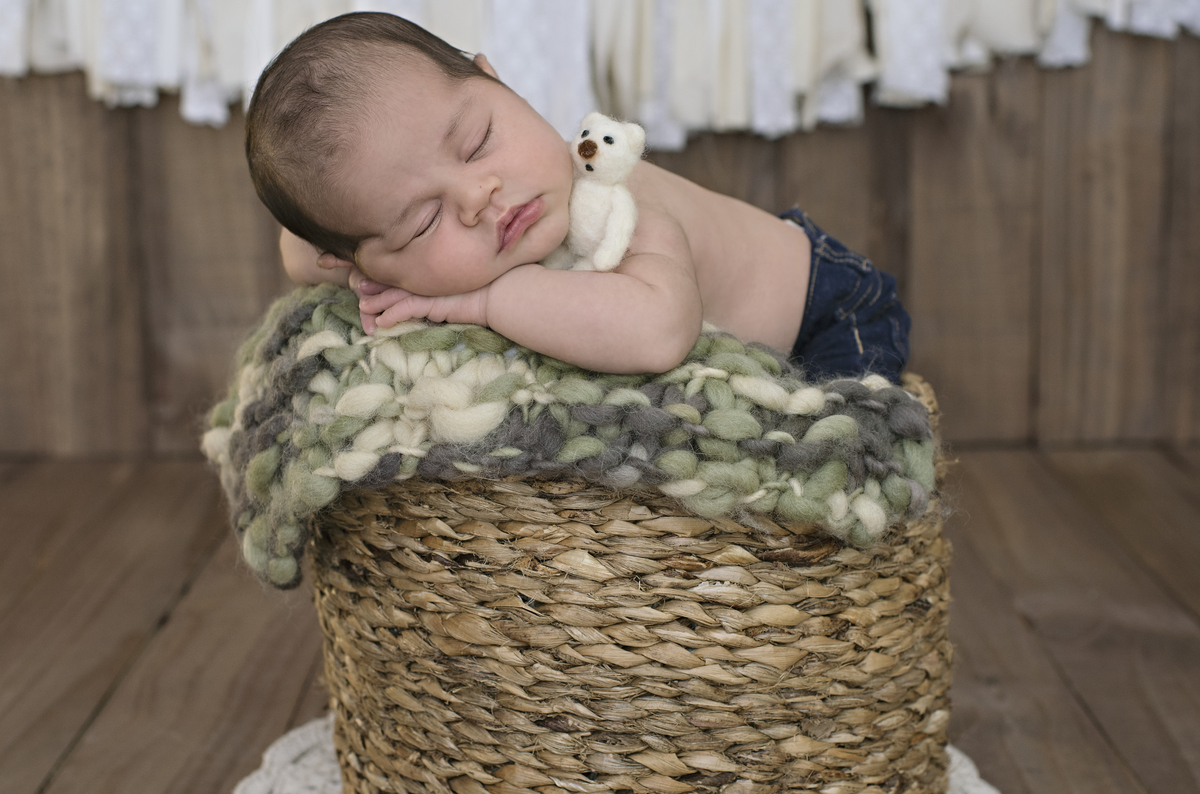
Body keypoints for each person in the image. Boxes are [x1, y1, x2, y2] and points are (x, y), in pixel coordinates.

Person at [248, 12, 910, 381]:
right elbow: (302, 251)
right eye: (423, 221)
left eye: (477, 141)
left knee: (836, 470)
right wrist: (356, 254)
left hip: (823, 311)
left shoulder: (617, 207)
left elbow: (656, 335)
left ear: (497, 80)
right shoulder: (375, 252)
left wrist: (478, 299)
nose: (480, 195)